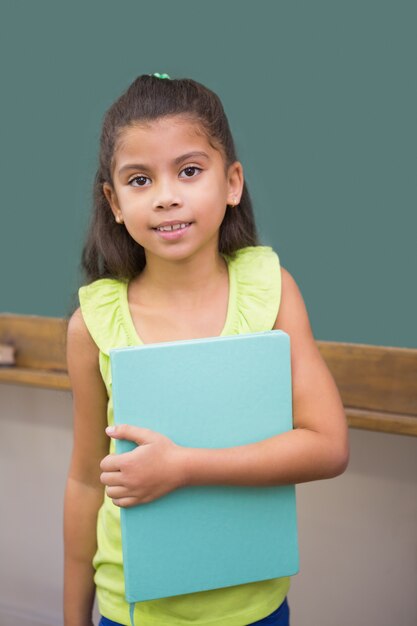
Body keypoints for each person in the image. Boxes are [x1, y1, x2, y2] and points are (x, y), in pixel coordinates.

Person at [64, 73, 349, 626]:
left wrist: (184, 467)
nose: (167, 195)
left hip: (251, 605)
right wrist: (74, 617)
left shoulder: (271, 289)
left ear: (232, 182)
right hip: (132, 609)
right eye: (139, 179)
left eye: (189, 171)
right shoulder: (93, 324)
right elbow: (83, 480)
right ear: (114, 202)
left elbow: (328, 445)